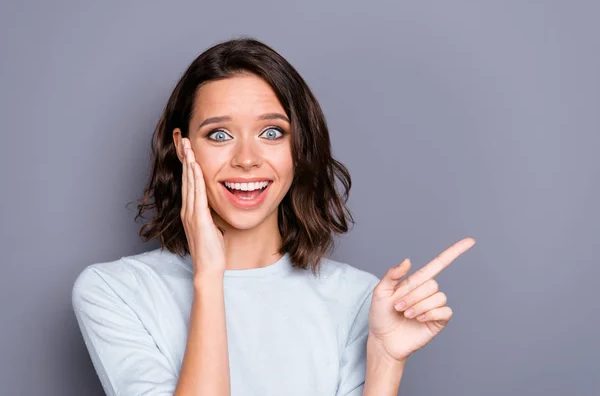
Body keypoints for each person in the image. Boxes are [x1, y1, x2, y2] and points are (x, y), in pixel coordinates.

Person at [71, 36, 475, 396]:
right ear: (182, 147)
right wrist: (209, 277)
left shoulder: (359, 300)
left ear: (299, 146)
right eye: (219, 134)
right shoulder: (114, 293)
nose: (247, 159)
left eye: (271, 133)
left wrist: (386, 361)